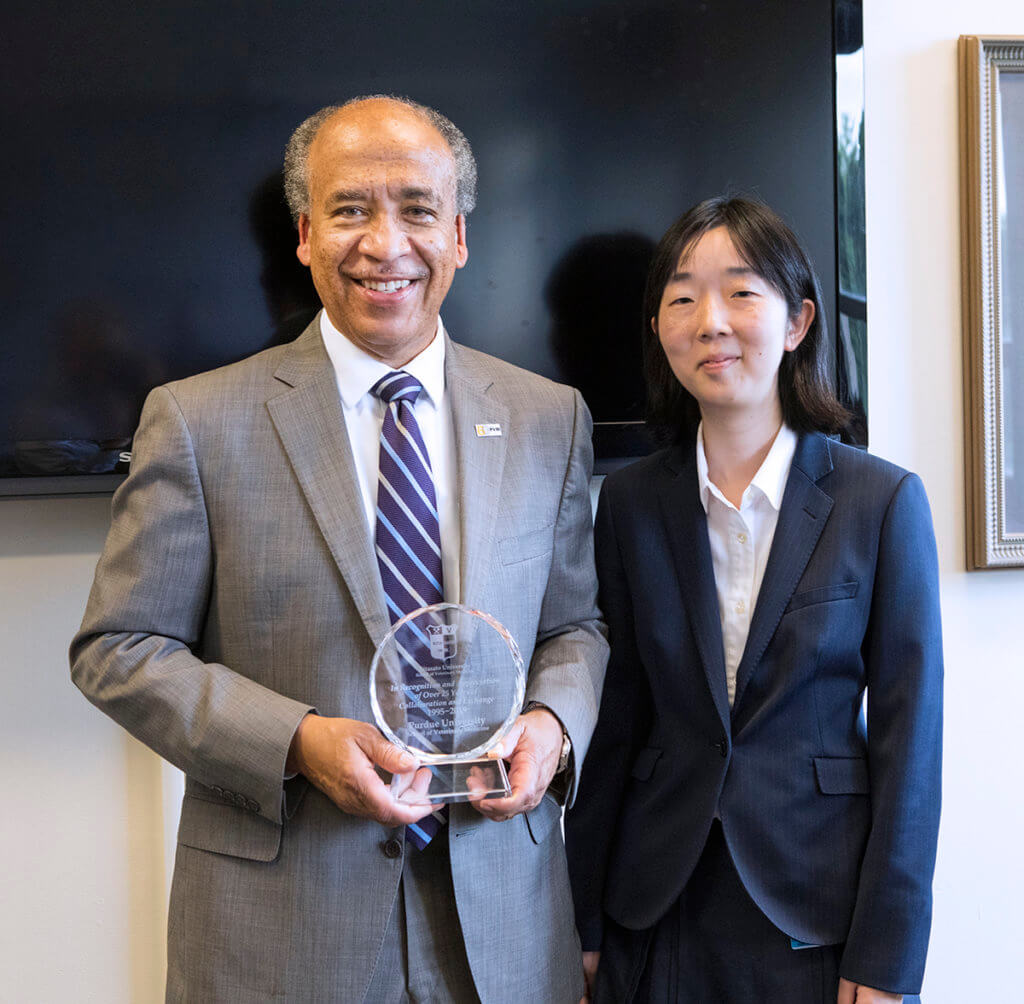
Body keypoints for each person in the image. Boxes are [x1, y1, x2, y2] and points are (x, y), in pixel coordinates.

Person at [71, 95, 607, 1003]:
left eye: (417, 208)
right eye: (352, 210)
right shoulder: (198, 421)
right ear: (306, 236)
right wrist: (297, 741)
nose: (385, 243)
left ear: (461, 236)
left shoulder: (545, 415)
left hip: (502, 929)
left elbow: (575, 627)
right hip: (279, 934)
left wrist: (553, 728)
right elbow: (118, 649)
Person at [566, 197, 942, 1004]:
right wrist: (583, 923)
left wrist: (886, 959)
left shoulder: (879, 503)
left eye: (741, 291)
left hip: (816, 917)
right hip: (655, 907)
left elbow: (914, 751)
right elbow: (617, 721)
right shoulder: (630, 505)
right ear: (659, 329)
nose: (711, 321)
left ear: (799, 321)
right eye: (681, 296)